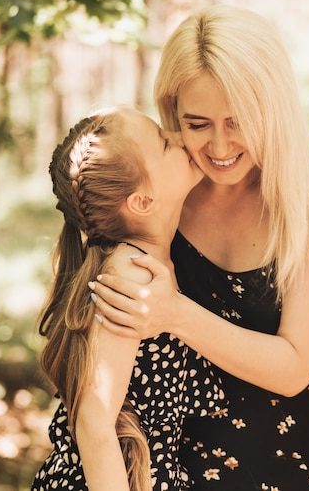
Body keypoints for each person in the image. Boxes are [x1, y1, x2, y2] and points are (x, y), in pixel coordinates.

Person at [89, 5, 309, 491]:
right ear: (173, 114)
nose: (219, 146)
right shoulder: (165, 189)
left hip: (292, 469)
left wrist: (173, 313)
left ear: (272, 108)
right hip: (171, 474)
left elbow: (295, 367)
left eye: (238, 121)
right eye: (197, 124)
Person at [31, 106, 226, 491]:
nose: (176, 136)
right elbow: (94, 420)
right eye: (162, 142)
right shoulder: (131, 273)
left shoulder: (152, 259)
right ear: (142, 202)